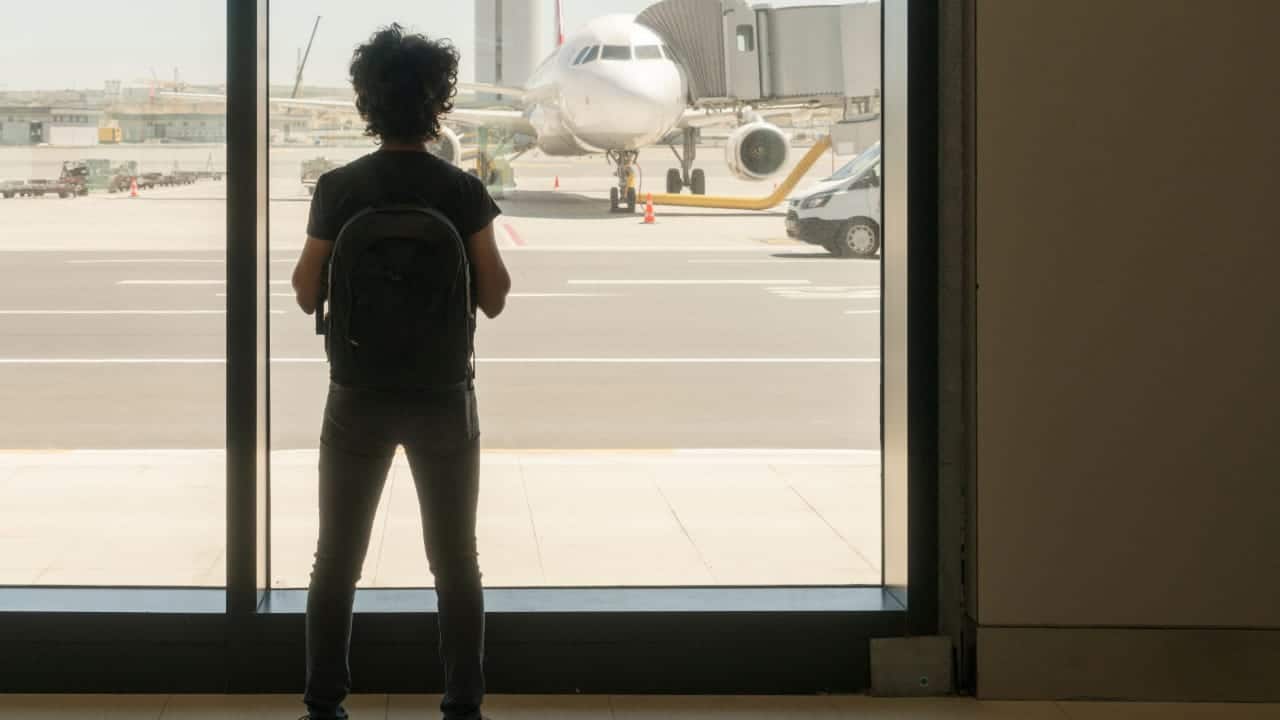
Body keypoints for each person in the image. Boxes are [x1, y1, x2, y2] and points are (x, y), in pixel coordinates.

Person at [290, 23, 511, 720]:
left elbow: (304, 289)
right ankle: (463, 703)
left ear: (367, 102)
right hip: (444, 395)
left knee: (337, 559)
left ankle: (325, 702)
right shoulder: (461, 189)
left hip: (356, 394)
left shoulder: (339, 187)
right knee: (455, 562)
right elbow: (496, 297)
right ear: (438, 103)